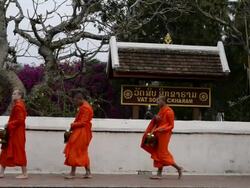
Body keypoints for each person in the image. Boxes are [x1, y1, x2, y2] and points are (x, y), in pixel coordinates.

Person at [141, 96, 183, 179]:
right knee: (157, 153)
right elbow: (159, 122)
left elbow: (171, 126)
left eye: (158, 100)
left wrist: (161, 128)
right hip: (158, 134)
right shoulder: (161, 111)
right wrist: (155, 118)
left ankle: (178, 168)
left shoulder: (169, 111)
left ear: (163, 101)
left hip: (165, 135)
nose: (157, 102)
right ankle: (159, 174)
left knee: (162, 154)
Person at [64, 91, 94, 179]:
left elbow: (83, 122)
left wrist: (72, 125)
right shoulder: (84, 106)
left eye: (76, 101)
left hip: (82, 132)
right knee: (81, 151)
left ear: (80, 99)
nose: (75, 103)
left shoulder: (85, 108)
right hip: (81, 131)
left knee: (74, 150)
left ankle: (73, 173)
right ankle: (88, 172)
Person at [0, 89, 28, 179]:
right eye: (13, 93)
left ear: (19, 96)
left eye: (14, 94)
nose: (12, 95)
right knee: (6, 149)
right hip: (14, 132)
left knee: (19, 151)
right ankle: (1, 172)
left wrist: (9, 124)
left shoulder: (19, 106)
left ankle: (25, 173)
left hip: (17, 133)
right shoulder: (18, 105)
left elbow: (21, 120)